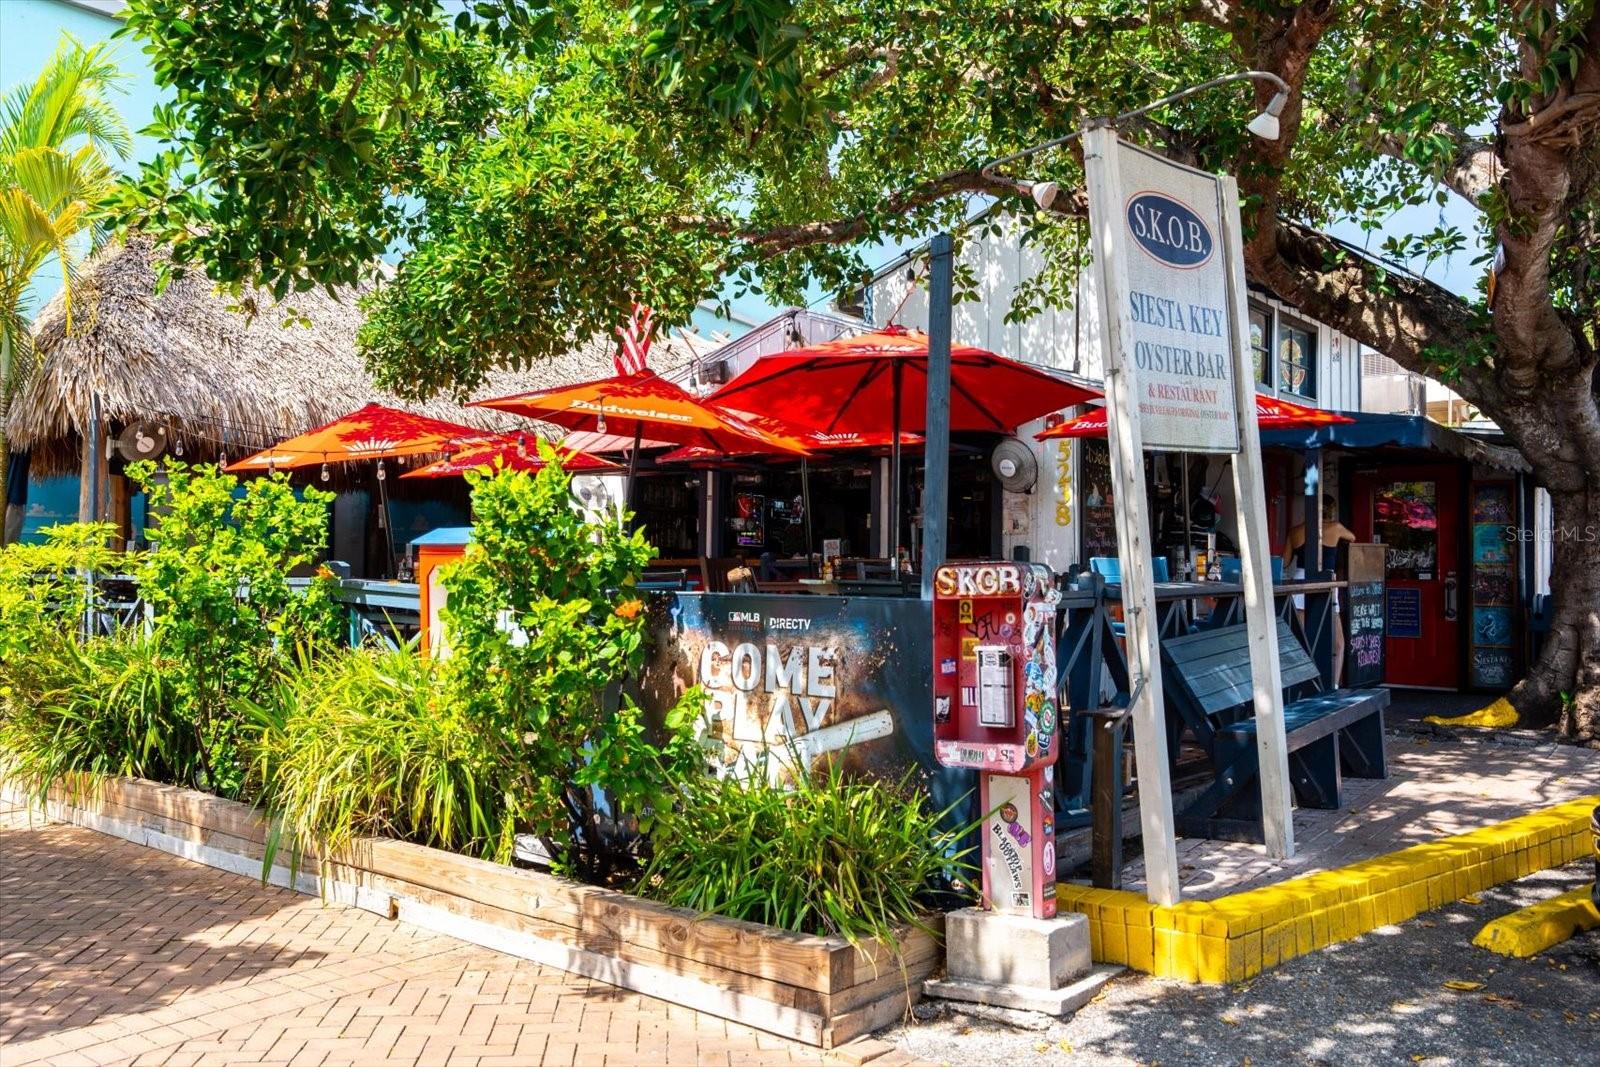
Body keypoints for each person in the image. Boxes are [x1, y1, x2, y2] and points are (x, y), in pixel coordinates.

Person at [1283, 494, 1355, 684]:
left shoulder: (1295, 531)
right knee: (1338, 643)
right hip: (1327, 581)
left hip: (1300, 581)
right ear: (1330, 510)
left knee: (1301, 639)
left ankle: (1300, 684)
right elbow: (1353, 537)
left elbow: (1285, 562)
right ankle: (1334, 685)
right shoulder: (1336, 528)